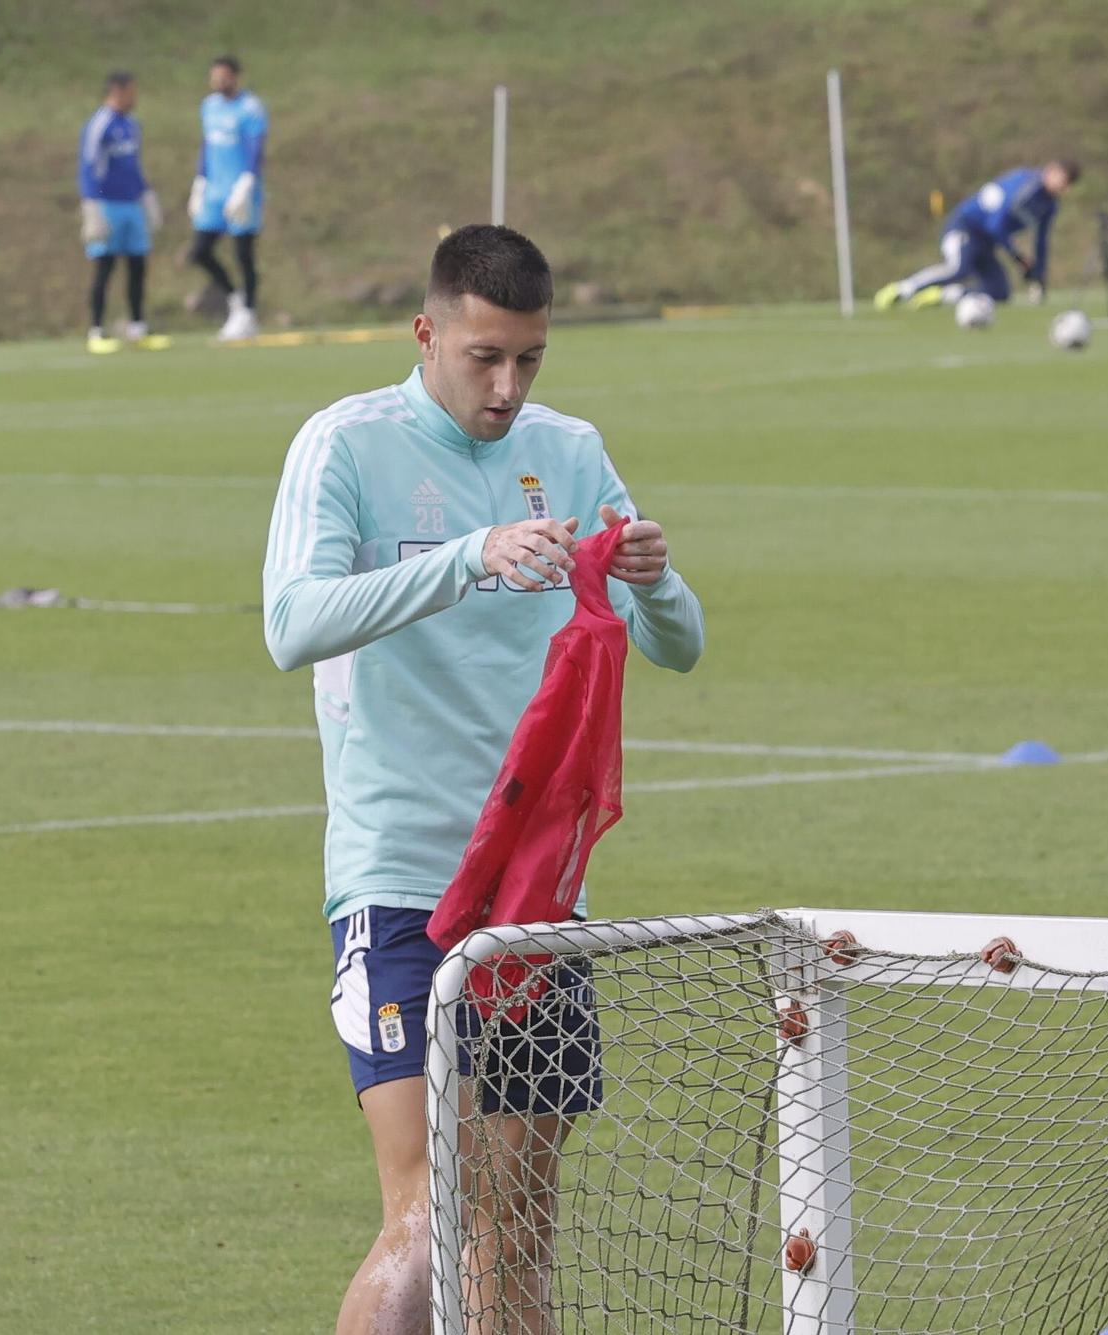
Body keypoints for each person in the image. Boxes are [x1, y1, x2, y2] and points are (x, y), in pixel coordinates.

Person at [262, 224, 705, 1335]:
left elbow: (681, 642)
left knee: (519, 1221)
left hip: (538, 898)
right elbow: (290, 625)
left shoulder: (570, 448)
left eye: (529, 360)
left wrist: (649, 579)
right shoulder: (345, 445)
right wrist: (468, 555)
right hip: (401, 876)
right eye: (485, 358)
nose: (507, 388)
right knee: (426, 1214)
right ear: (427, 333)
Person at [873, 159, 1079, 311]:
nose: (1062, 186)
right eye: (1062, 179)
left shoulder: (1049, 205)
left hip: (987, 243)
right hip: (965, 228)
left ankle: (943, 295)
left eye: (1067, 184)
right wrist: (1017, 257)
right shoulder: (1025, 186)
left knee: (999, 292)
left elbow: (1041, 241)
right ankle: (902, 289)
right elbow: (995, 224)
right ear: (1051, 170)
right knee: (958, 269)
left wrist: (1038, 274)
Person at [77, 72, 164, 353]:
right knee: (105, 266)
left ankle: (138, 327)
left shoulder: (131, 125)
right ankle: (97, 331)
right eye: (131, 92)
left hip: (131, 204)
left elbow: (132, 166)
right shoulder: (100, 124)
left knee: (138, 265)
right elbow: (89, 167)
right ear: (118, 91)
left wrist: (146, 194)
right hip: (107, 205)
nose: (135, 98)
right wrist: (92, 206)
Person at [186, 55, 268, 341]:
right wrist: (199, 181)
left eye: (224, 75)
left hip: (240, 191)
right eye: (215, 76)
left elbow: (254, 148)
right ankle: (235, 301)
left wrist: (246, 183)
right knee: (200, 251)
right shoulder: (209, 106)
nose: (219, 81)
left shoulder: (250, 108)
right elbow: (206, 146)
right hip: (214, 191)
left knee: (243, 253)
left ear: (235, 76)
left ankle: (248, 312)